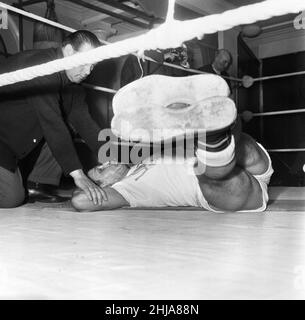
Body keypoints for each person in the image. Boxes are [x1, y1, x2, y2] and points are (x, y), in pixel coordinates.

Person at [71, 74, 274, 213]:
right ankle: (213, 133)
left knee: (244, 146)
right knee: (211, 173)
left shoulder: (144, 158)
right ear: (103, 185)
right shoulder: (126, 190)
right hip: (221, 190)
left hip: (248, 161)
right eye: (100, 170)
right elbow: (80, 202)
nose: (106, 163)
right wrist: (85, 184)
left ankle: (216, 126)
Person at [0, 30, 107, 208]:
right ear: (69, 52)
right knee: (10, 198)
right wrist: (79, 176)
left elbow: (86, 124)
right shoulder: (41, 66)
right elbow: (52, 123)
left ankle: (39, 184)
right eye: (85, 62)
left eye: (93, 66)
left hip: (10, 143)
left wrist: (120, 159)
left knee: (66, 124)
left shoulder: (72, 86)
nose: (87, 71)